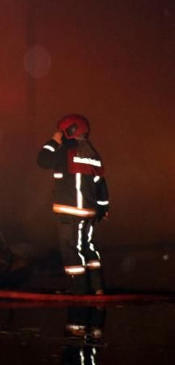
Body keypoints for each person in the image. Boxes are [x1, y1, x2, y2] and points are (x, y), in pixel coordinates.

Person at [37, 114, 109, 295]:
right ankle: (97, 288)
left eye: (61, 131)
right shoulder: (93, 155)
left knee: (71, 250)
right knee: (88, 248)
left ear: (69, 131)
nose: (60, 134)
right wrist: (103, 208)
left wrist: (53, 142)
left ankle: (79, 292)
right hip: (90, 213)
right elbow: (101, 184)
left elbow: (43, 160)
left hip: (70, 212)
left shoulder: (65, 153)